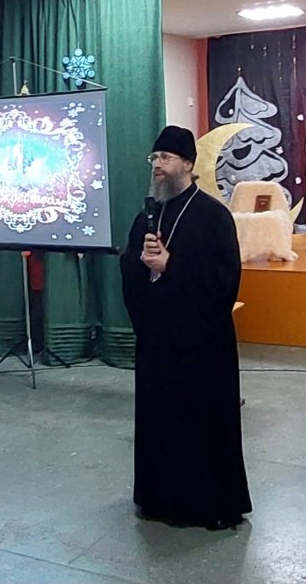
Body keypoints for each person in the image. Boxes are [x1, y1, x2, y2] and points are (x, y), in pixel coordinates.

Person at [119, 125, 252, 530]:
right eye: (154, 158)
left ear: (189, 164)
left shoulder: (213, 216)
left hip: (201, 344)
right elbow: (130, 264)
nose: (157, 165)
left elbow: (224, 279)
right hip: (159, 340)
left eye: (165, 158)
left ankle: (208, 505)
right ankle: (158, 498)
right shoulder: (148, 214)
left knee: (201, 425)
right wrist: (142, 263)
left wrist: (171, 266)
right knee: (159, 422)